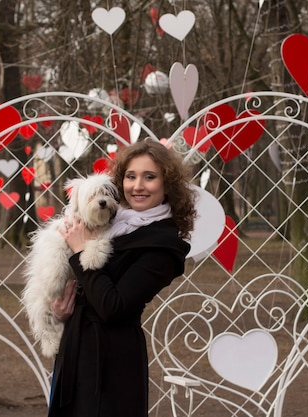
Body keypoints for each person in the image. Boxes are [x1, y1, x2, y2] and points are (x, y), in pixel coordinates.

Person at [49, 139, 197, 417]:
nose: (137, 186)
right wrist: (62, 310)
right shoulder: (110, 223)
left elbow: (113, 306)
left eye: (149, 177)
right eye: (131, 176)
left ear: (168, 184)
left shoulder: (163, 245)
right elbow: (81, 286)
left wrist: (81, 250)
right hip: (76, 349)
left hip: (112, 362)